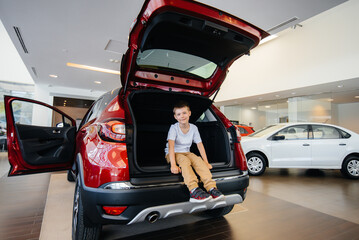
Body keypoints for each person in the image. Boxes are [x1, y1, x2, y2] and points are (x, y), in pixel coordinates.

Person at [165, 101, 224, 203]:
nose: (182, 116)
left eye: (184, 113)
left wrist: (206, 162)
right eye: (178, 114)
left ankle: (211, 188)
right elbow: (171, 146)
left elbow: (200, 145)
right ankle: (193, 190)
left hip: (186, 152)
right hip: (172, 153)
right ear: (175, 117)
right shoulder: (174, 128)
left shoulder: (194, 128)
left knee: (198, 160)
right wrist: (173, 165)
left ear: (189, 113)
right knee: (184, 161)